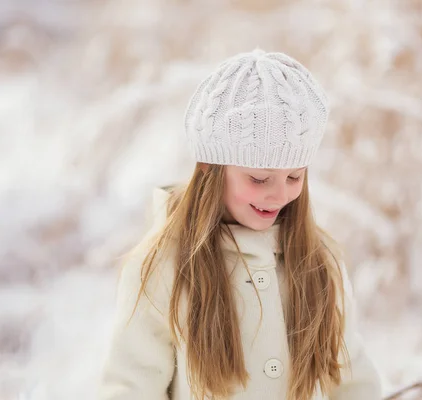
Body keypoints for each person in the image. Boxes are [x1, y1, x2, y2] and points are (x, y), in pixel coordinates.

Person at [97, 49, 382, 400]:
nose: (279, 195)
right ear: (209, 168)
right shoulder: (163, 266)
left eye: (294, 177)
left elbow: (353, 382)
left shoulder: (318, 263)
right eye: (260, 179)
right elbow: (132, 387)